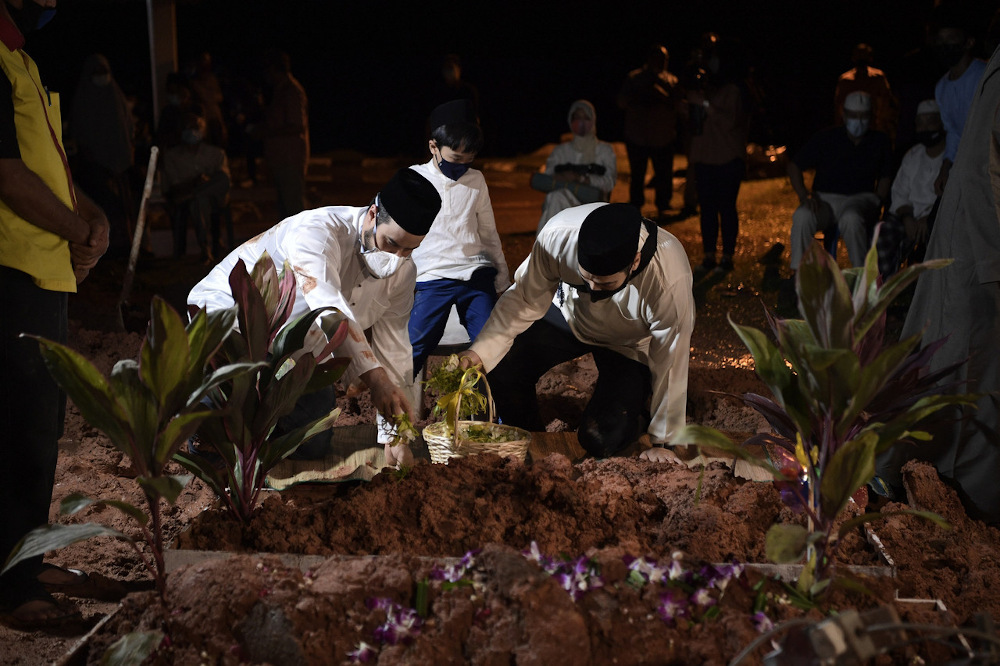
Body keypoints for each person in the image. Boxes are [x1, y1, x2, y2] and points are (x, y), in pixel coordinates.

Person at [188, 167, 441, 467]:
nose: (396, 259)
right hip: (232, 325)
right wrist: (375, 379)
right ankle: (212, 430)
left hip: (300, 346)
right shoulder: (317, 232)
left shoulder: (403, 274)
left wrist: (394, 437)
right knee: (219, 450)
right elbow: (329, 308)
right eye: (391, 244)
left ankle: (262, 430)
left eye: (409, 250)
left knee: (311, 446)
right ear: (373, 215)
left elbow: (394, 346)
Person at [0, 0, 110, 629]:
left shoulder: (23, 61)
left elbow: (53, 168)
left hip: (45, 270)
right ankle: (14, 588)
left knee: (42, 429)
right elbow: (10, 178)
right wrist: (78, 230)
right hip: (13, 271)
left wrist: (89, 219)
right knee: (20, 431)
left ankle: (29, 557)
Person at [459, 202, 694, 463]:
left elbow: (672, 357)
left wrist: (665, 440)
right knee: (502, 370)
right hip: (570, 316)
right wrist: (480, 351)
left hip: (629, 343)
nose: (593, 290)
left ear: (635, 261)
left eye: (604, 284)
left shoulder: (669, 277)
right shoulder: (559, 235)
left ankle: (637, 410)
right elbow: (524, 298)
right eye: (586, 279)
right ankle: (533, 444)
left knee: (599, 438)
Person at [876, 44, 1000, 526]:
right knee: (960, 373)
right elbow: (981, 173)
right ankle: (925, 487)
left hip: (978, 244)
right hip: (980, 248)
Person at [407, 100, 510, 378]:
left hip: (475, 276)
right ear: (433, 147)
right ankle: (395, 416)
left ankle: (492, 417)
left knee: (492, 345)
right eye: (455, 159)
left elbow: (488, 233)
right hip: (431, 278)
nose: (461, 166)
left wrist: (502, 281)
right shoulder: (414, 179)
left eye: (469, 160)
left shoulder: (476, 180)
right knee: (412, 347)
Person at [787, 91, 893, 272]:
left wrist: (878, 199)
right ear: (843, 115)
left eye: (863, 116)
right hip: (825, 200)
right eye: (853, 115)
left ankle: (862, 274)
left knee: (851, 218)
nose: (858, 121)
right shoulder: (826, 138)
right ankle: (800, 274)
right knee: (802, 216)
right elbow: (794, 165)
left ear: (871, 117)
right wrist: (804, 196)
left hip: (861, 199)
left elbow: (886, 174)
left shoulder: (879, 141)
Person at [686, 39, 749, 276]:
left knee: (727, 208)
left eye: (712, 58)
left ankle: (728, 256)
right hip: (705, 158)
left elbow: (730, 121)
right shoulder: (704, 88)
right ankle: (709, 255)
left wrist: (704, 104)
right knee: (708, 209)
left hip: (727, 158)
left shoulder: (733, 89)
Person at [69, 53, 136, 259]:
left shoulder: (116, 96)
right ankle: (104, 252)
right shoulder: (83, 99)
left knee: (123, 206)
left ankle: (127, 248)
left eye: (104, 72)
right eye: (97, 73)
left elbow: (127, 127)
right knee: (102, 207)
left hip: (121, 164)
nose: (101, 77)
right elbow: (78, 130)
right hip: (95, 166)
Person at [875, 100, 946, 277]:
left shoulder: (952, 157)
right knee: (885, 233)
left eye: (931, 122)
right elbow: (899, 193)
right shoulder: (913, 155)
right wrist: (907, 218)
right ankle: (885, 289)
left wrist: (928, 217)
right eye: (920, 123)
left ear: (942, 122)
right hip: (909, 217)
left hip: (938, 218)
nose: (926, 128)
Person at [617, 44, 682, 219]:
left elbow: (679, 105)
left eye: (664, 59)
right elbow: (621, 102)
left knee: (664, 173)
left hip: (663, 136)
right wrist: (641, 95)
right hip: (638, 136)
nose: (661, 62)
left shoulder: (672, 80)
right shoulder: (635, 78)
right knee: (637, 173)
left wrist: (661, 93)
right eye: (658, 58)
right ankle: (636, 204)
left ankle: (663, 204)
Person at [534, 100, 617, 233]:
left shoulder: (604, 150)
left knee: (556, 198)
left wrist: (581, 179)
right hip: (564, 202)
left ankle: (545, 248)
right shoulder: (561, 151)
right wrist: (562, 176)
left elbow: (609, 182)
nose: (581, 122)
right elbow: (548, 178)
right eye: (577, 117)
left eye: (586, 117)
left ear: (593, 120)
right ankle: (546, 248)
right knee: (556, 197)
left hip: (593, 204)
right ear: (570, 120)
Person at [160, 108, 231, 262]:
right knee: (200, 201)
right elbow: (173, 186)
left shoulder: (216, 154)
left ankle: (206, 249)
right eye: (187, 127)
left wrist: (195, 188)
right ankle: (207, 247)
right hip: (194, 198)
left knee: (217, 183)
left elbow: (223, 182)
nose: (191, 131)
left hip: (208, 197)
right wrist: (196, 182)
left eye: (196, 127)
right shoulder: (172, 157)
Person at [932, 4, 987, 195]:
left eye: (951, 40)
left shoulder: (984, 76)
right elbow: (954, 133)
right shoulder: (942, 87)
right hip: (967, 170)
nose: (944, 46)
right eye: (940, 41)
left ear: (968, 42)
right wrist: (945, 168)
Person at [262, 48, 309, 219]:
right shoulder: (281, 90)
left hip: (289, 158)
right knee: (285, 206)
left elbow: (296, 125)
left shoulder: (291, 91)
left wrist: (266, 132)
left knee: (293, 208)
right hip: (281, 158)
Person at [833, 43, 898, 141]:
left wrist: (882, 127)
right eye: (859, 54)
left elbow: (886, 103)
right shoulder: (845, 80)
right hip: (850, 130)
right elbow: (838, 107)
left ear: (870, 57)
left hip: (873, 128)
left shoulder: (878, 77)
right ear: (854, 57)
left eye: (864, 54)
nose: (861, 57)